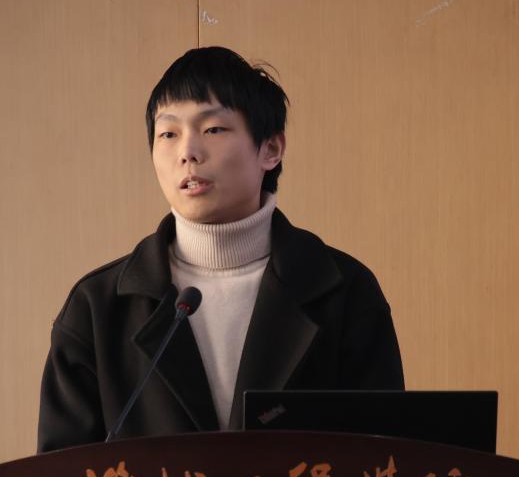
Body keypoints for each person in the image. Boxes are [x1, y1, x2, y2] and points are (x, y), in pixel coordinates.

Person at [37, 46, 403, 453]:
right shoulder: (97, 307)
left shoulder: (344, 291)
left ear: (271, 149)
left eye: (213, 129)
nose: (187, 153)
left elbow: (385, 465)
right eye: (168, 134)